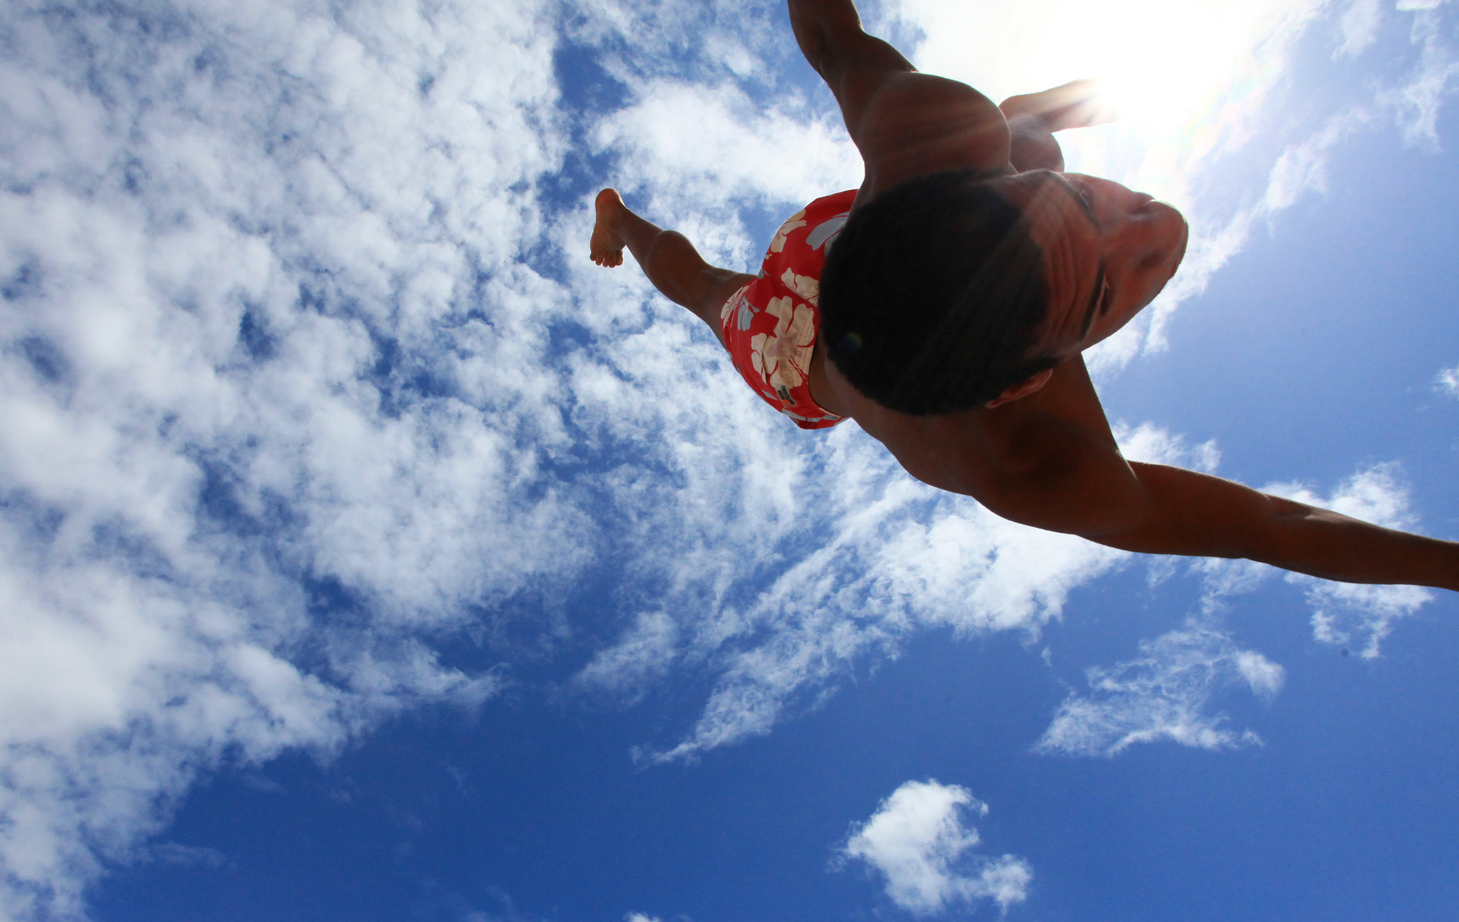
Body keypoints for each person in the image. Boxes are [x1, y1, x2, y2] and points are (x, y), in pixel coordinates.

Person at [588, 0, 1459, 590]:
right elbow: (1268, 525)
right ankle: (618, 220)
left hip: (837, 300)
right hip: (812, 321)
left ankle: (1033, 146)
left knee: (1021, 154)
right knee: (704, 290)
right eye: (1109, 286)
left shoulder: (922, 134)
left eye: (1104, 271)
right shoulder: (1027, 458)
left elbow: (828, 35)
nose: (1154, 227)